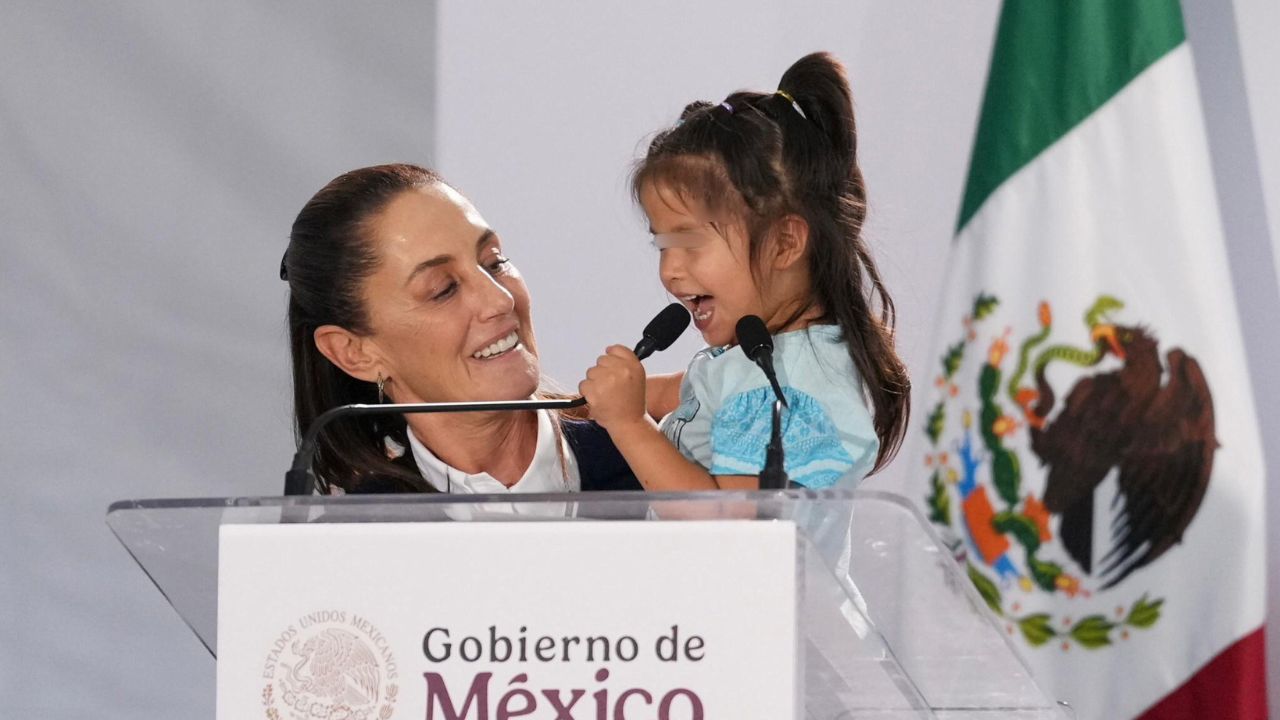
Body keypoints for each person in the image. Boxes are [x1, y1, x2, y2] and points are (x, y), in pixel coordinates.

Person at [579, 52, 910, 491]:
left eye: (688, 242)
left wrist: (629, 424)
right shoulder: (761, 360)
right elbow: (691, 393)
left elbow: (730, 529)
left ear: (786, 243)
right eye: (662, 245)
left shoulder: (786, 390)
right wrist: (588, 402)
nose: (670, 270)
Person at [281, 163, 638, 494]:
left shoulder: (659, 465)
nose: (500, 300)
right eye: (443, 289)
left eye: (494, 262)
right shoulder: (355, 545)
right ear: (354, 352)